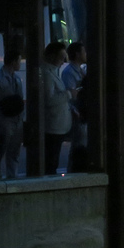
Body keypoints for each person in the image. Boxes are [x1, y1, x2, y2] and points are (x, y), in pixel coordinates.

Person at [0, 49, 25, 179]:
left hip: (16, 119)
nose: (20, 64)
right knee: (0, 149)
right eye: (19, 61)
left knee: (14, 150)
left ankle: (12, 176)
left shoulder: (16, 79)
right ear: (13, 62)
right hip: (3, 119)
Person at [41, 41, 72, 175]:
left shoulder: (53, 72)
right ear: (52, 56)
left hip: (58, 125)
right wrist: (68, 94)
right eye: (61, 58)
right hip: (53, 126)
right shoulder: (47, 74)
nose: (63, 61)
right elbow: (49, 99)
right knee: (51, 161)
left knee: (53, 159)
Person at [61, 42, 88, 170]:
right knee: (78, 143)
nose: (86, 54)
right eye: (84, 51)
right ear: (77, 54)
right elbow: (71, 95)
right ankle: (73, 169)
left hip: (83, 112)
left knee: (82, 142)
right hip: (77, 112)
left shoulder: (81, 70)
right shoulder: (69, 72)